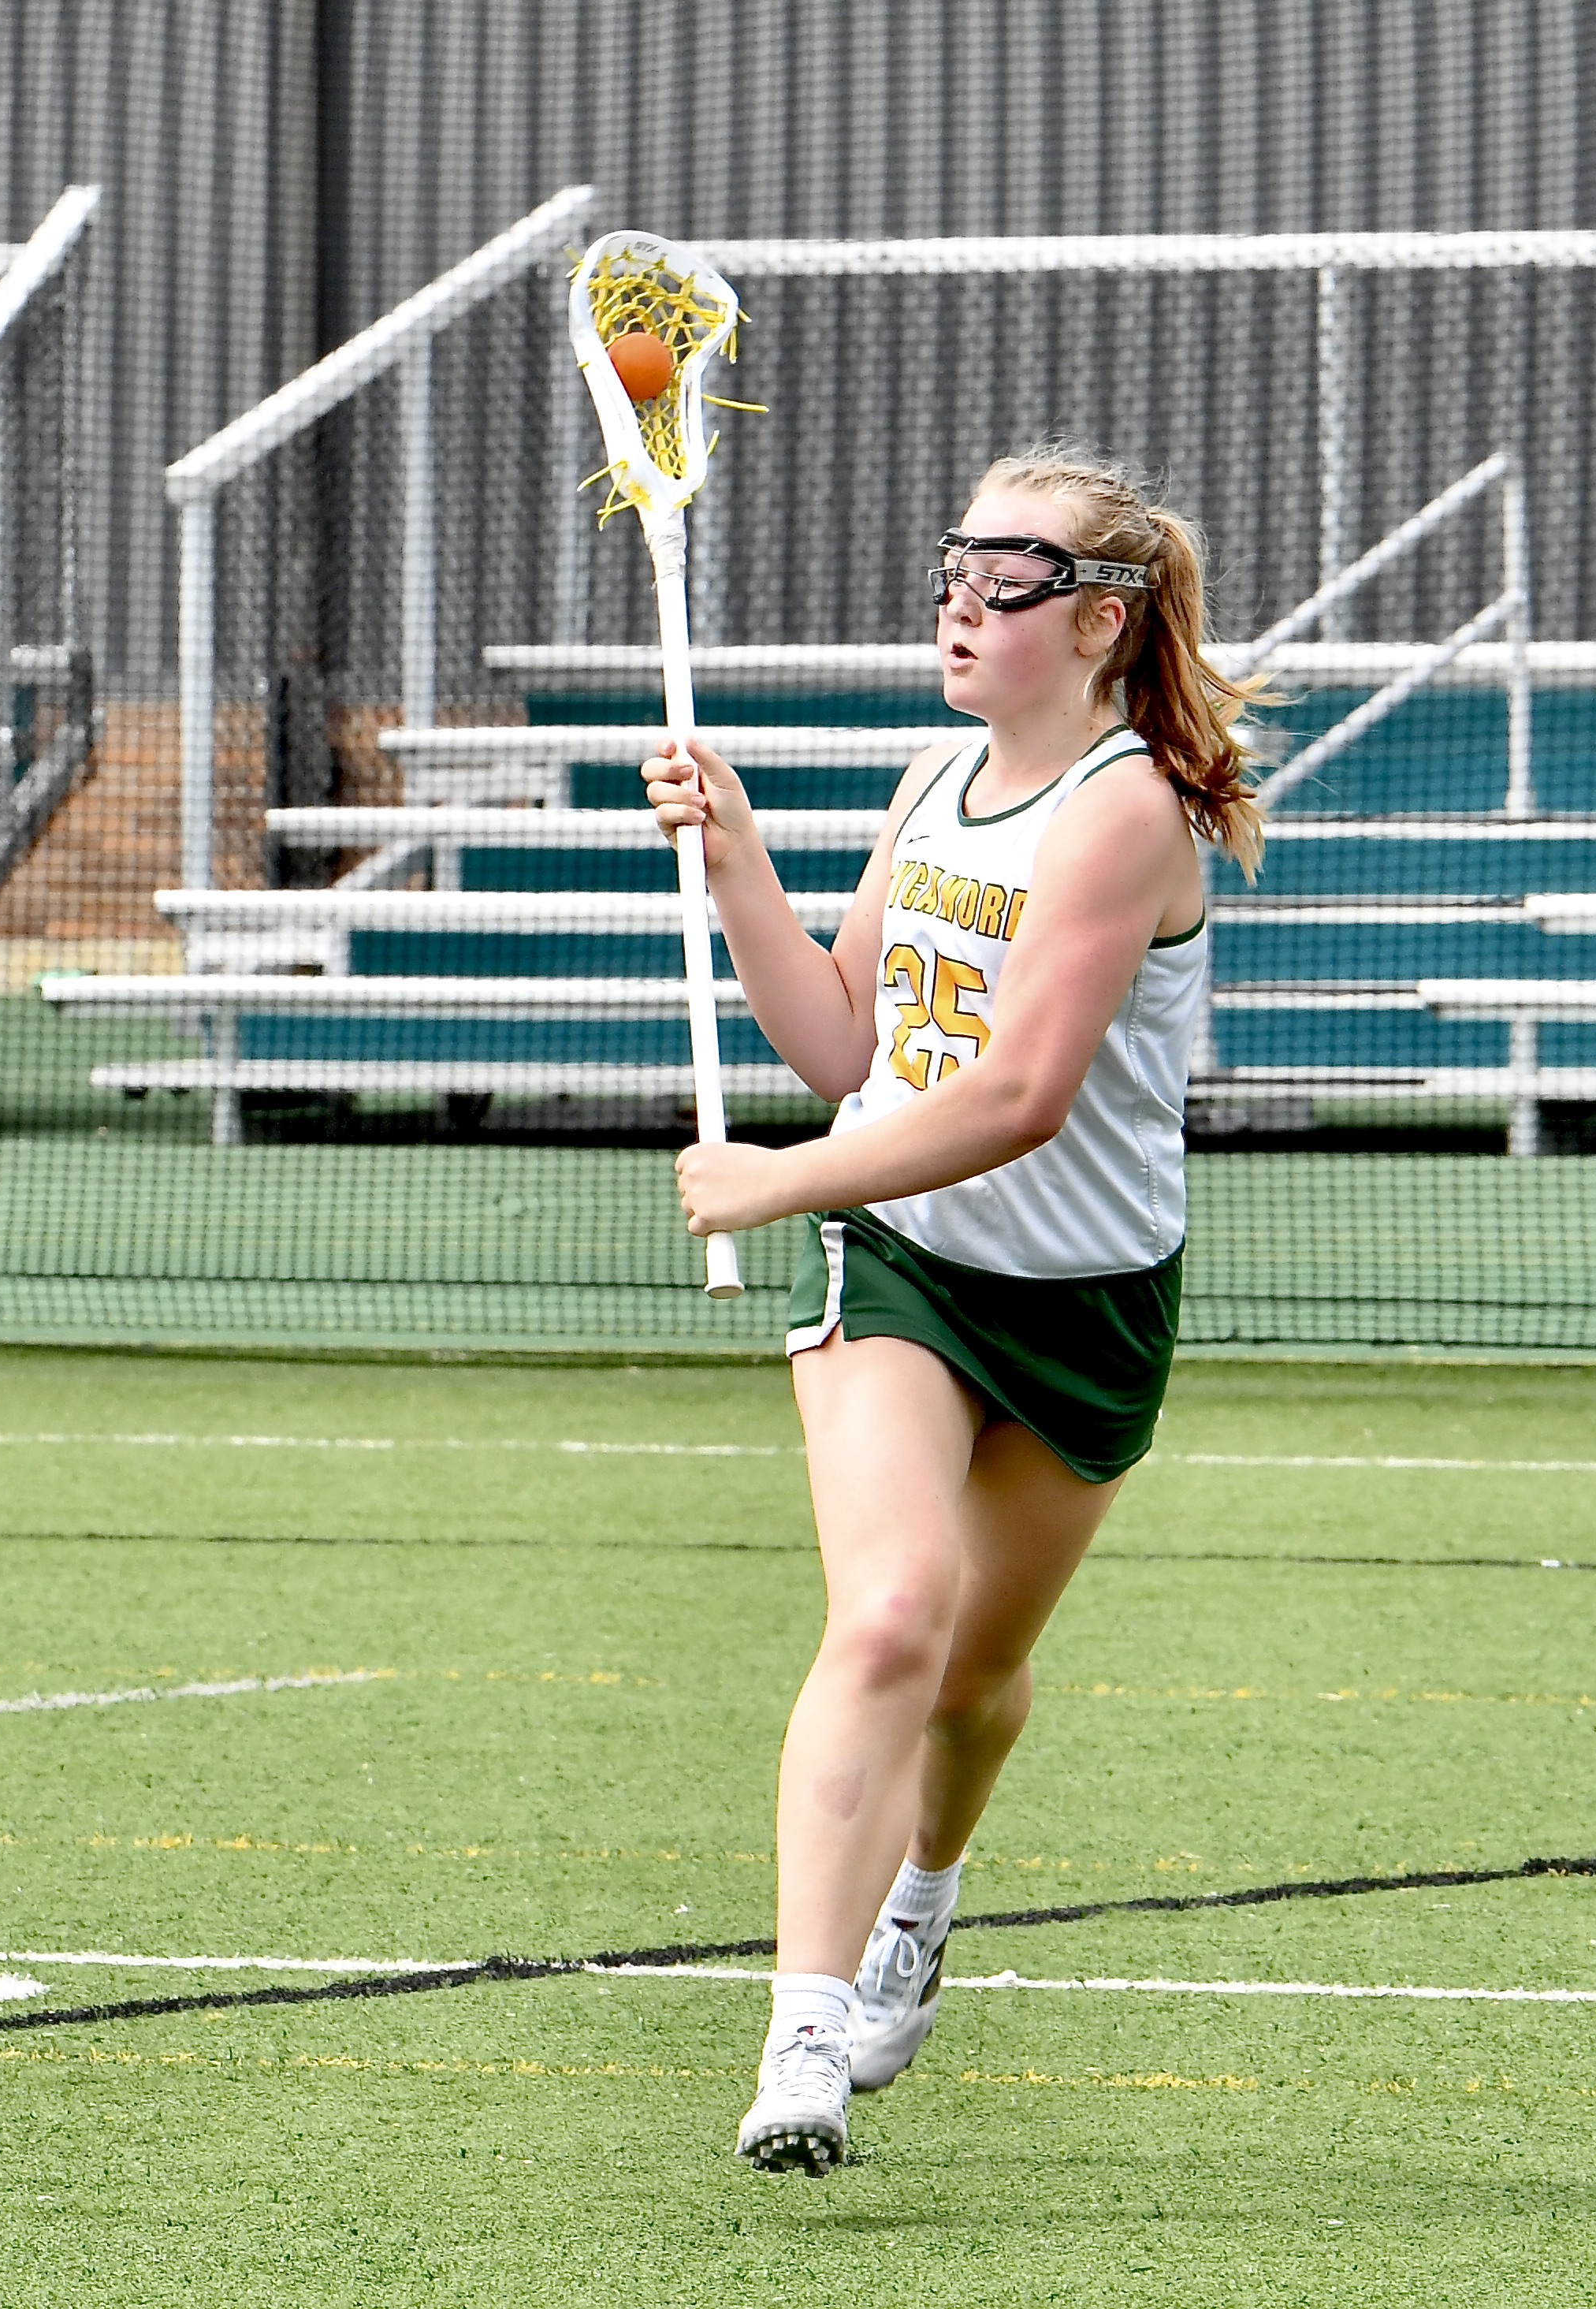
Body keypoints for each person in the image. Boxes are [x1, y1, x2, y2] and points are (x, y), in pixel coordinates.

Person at [640, 445, 1270, 2175]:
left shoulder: (1128, 811)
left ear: (1100, 621)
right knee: (893, 1615)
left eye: (1009, 577)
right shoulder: (932, 780)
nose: (962, 603)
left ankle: (923, 1902)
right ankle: (804, 2033)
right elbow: (846, 1043)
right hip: (902, 1257)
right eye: (955, 569)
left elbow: (1019, 1096)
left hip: (1085, 1298)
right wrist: (738, 859)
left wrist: (779, 1177)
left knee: (977, 1682)